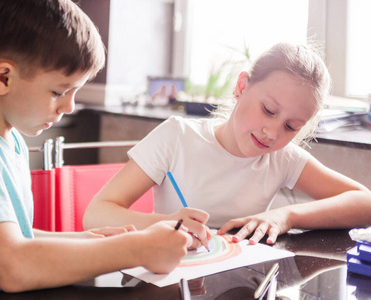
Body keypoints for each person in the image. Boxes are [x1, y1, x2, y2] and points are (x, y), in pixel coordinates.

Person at [0, 0, 192, 293]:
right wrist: (133, 249)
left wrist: (89, 240)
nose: (69, 105)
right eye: (59, 91)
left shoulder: (8, 141)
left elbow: (13, 236)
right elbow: (12, 265)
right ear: (3, 78)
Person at [83, 42, 371, 249]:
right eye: (269, 110)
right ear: (242, 86)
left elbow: (365, 202)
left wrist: (285, 216)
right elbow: (96, 214)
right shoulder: (176, 137)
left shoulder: (283, 158)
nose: (272, 132)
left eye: (291, 127)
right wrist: (167, 222)